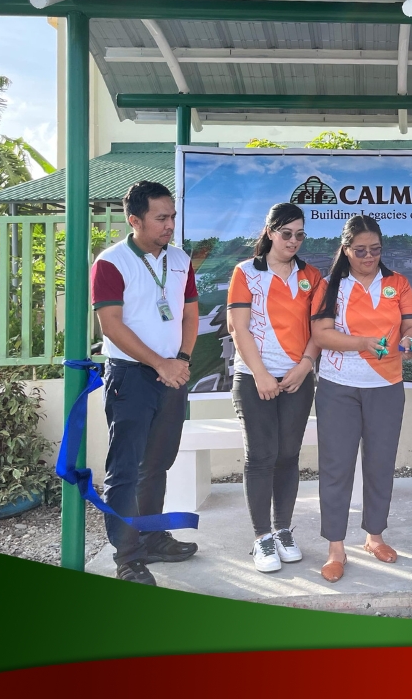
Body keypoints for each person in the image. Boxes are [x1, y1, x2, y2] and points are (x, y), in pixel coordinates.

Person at [91, 180, 200, 586]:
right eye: (161, 218)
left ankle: (152, 538)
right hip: (130, 378)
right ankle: (128, 558)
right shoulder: (112, 262)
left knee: (157, 464)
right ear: (134, 220)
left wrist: (182, 360)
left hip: (172, 375)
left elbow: (191, 315)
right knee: (126, 470)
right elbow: (111, 325)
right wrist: (160, 363)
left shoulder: (179, 259)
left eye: (172, 216)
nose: (170, 224)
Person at [310, 215, 412, 582]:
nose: (369, 257)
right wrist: (361, 344)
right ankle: (336, 547)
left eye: (375, 250)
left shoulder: (398, 283)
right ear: (346, 250)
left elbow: (410, 324)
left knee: (380, 464)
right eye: (360, 251)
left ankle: (375, 536)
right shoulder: (330, 286)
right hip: (337, 386)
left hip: (387, 385)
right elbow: (322, 335)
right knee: (336, 468)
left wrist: (409, 341)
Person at [226, 203, 325, 573]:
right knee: (261, 456)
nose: (294, 241)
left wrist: (304, 366)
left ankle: (283, 530)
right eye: (287, 234)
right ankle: (262, 537)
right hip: (255, 378)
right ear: (270, 232)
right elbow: (239, 328)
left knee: (288, 456)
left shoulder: (312, 276)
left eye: (300, 235)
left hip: (298, 378)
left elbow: (319, 328)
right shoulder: (246, 273)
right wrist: (261, 373)